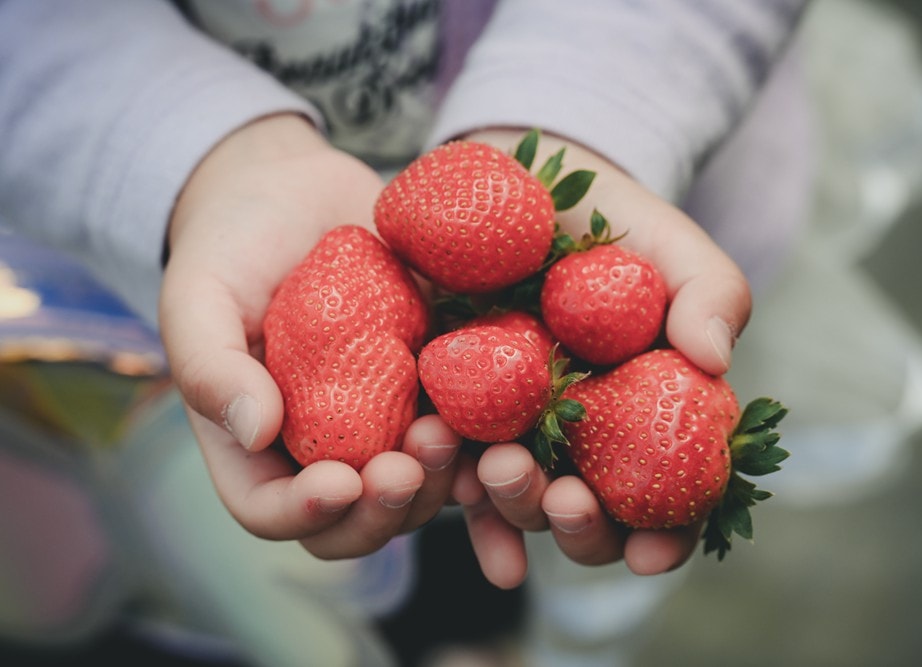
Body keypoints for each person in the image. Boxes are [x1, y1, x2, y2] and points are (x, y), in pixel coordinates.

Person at [0, 0, 816, 663]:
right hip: (133, 249)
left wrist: (585, 119)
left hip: (646, 173)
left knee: (545, 530)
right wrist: (199, 160)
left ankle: (523, 637)